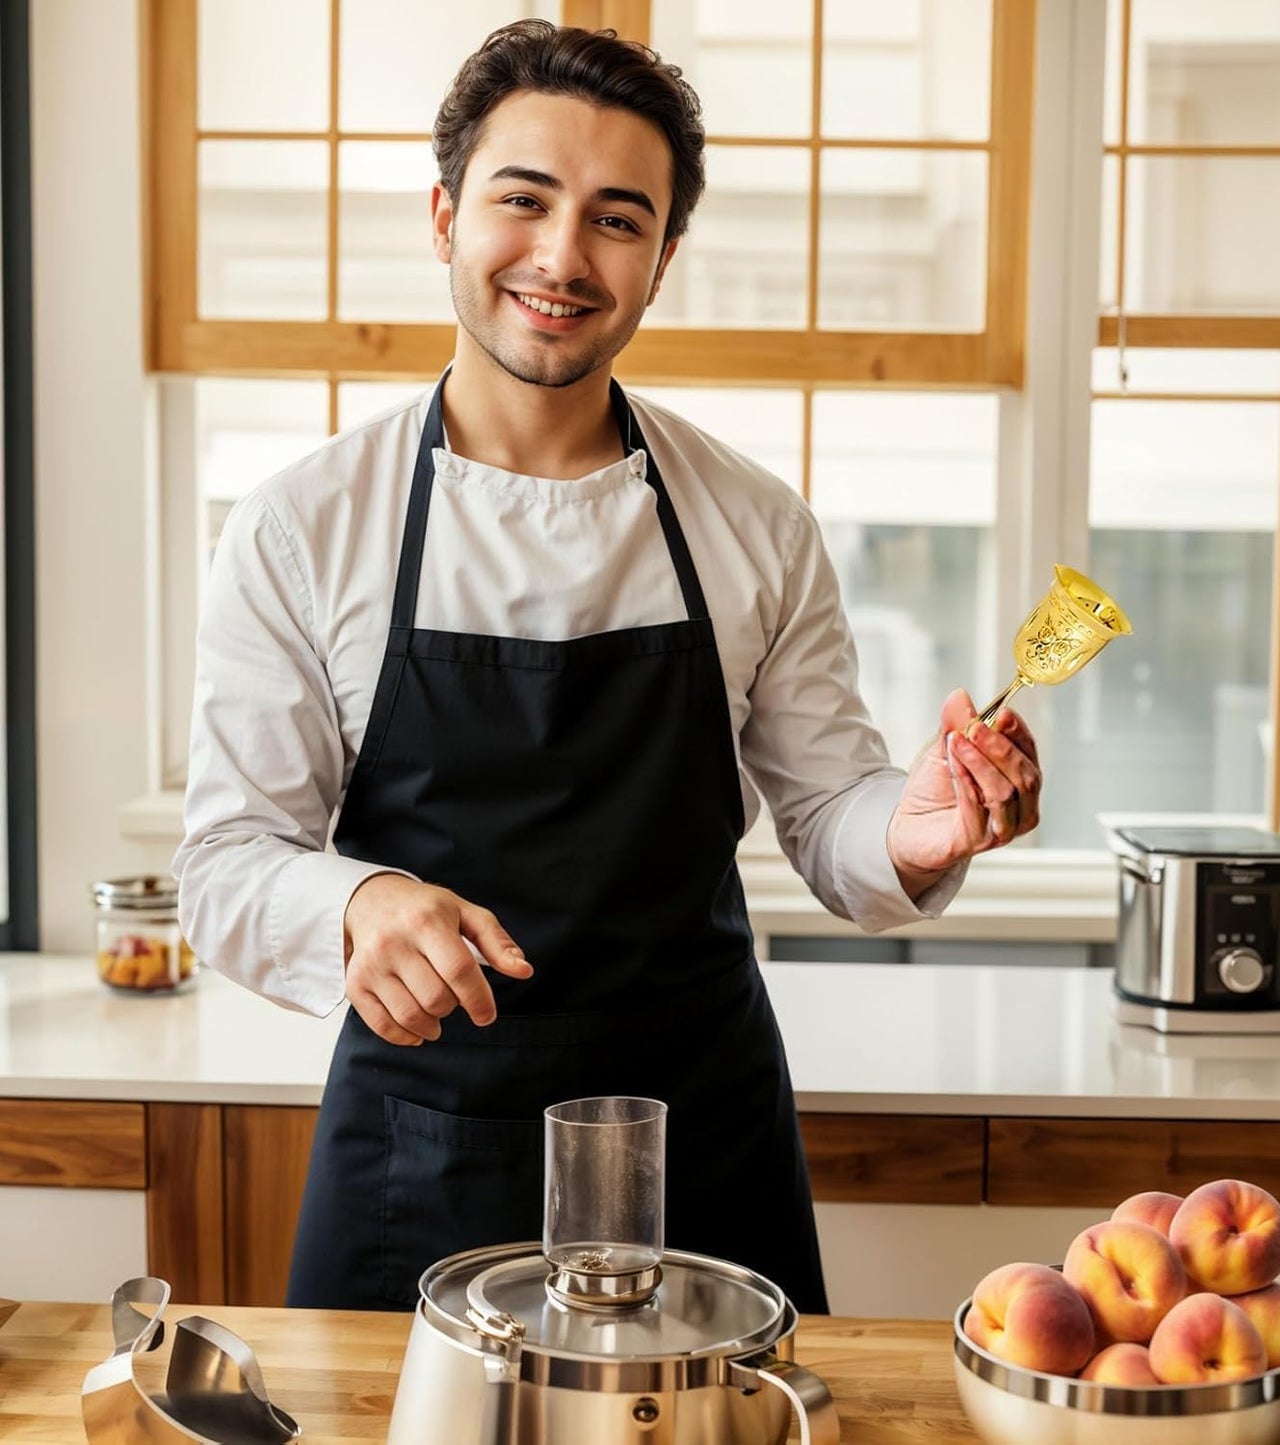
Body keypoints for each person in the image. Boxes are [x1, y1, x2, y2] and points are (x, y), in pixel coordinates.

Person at [174, 19, 1042, 1315]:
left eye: (617, 219)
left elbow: (829, 813)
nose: (563, 257)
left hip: (701, 1145)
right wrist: (358, 904)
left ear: (662, 258)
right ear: (445, 217)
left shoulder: (753, 523)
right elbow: (228, 859)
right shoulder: (304, 525)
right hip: (423, 1148)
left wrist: (915, 831)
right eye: (522, 200)